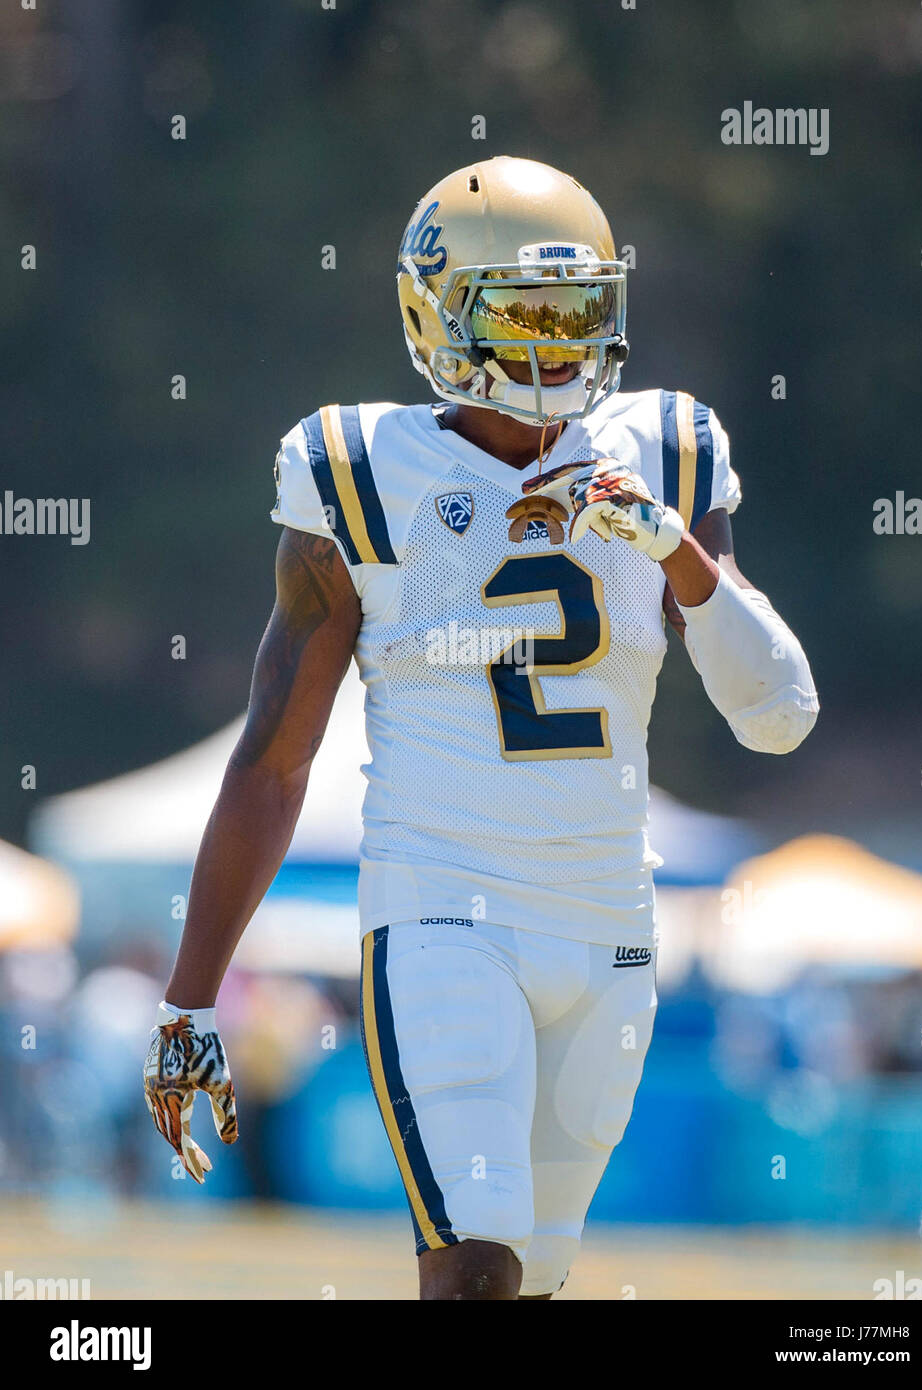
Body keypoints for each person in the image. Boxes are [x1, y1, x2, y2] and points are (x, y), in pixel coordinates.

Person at [143, 156, 818, 1300]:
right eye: (520, 313)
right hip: (442, 905)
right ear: (438, 313)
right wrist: (189, 998)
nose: (556, 347)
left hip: (611, 922)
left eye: (578, 314)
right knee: (474, 1275)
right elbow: (275, 753)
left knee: (532, 1284)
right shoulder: (358, 472)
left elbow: (779, 718)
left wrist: (667, 541)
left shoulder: (664, 449)